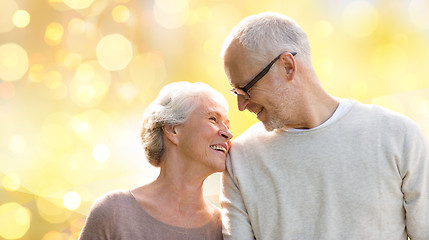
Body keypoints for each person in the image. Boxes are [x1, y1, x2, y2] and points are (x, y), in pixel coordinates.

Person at [219, 12, 429, 240]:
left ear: (288, 66)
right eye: (235, 92)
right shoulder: (239, 160)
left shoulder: (397, 136)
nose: (240, 105)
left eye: (245, 89)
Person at [79, 81, 233, 239]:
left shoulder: (226, 229)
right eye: (213, 119)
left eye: (228, 125)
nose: (228, 134)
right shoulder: (113, 212)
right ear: (172, 129)